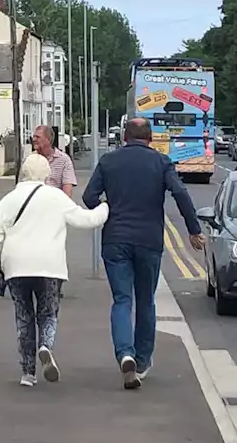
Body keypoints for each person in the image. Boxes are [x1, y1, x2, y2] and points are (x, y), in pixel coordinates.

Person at [82, 117, 203, 390]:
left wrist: (106, 208)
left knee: (122, 300)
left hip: (115, 240)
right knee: (146, 301)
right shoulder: (161, 162)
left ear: (125, 136)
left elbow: (89, 197)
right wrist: (193, 230)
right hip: (148, 240)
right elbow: (180, 193)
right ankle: (142, 360)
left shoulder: (109, 162)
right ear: (150, 138)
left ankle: (124, 353)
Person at [0, 153, 108, 387]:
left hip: (17, 267)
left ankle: (27, 373)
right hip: (50, 266)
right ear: (46, 173)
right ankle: (46, 346)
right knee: (48, 313)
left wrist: (1, 256)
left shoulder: (10, 199)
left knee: (24, 317)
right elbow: (85, 220)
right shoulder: (56, 197)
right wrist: (105, 207)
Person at [32, 124, 77, 196]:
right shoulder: (29, 159)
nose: (34, 139)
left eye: (37, 137)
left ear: (48, 140)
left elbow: (67, 192)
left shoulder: (64, 160)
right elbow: (21, 187)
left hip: (55, 202)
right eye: (34, 136)